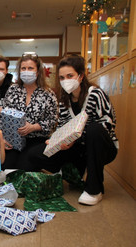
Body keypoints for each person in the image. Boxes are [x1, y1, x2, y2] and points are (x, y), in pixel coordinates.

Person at [22, 55, 118, 206]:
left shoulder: (95, 94)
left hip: (100, 147)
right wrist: (57, 140)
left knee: (94, 128)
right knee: (34, 153)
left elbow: (107, 126)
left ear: (80, 76)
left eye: (70, 76)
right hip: (77, 149)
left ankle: (95, 189)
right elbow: (63, 127)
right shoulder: (64, 100)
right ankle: (69, 171)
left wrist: (75, 138)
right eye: (61, 77)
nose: (66, 80)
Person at [0, 53, 58, 170]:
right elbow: (4, 116)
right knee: (6, 167)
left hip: (36, 140)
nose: (27, 71)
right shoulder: (12, 90)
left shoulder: (48, 94)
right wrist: (3, 140)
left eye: (30, 68)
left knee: (23, 168)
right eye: (23, 68)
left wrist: (34, 127)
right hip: (13, 139)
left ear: (38, 72)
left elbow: (53, 121)